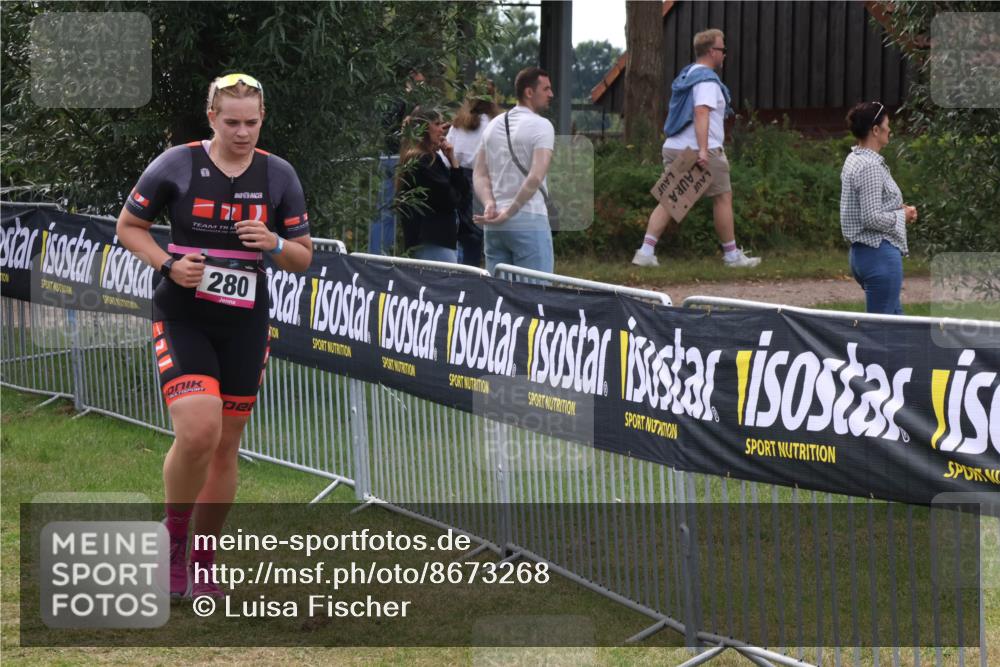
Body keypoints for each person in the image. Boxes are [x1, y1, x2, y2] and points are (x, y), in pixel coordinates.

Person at [116, 73, 313, 599]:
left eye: (251, 122)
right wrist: (167, 264)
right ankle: (172, 540)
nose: (242, 132)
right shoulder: (176, 164)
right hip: (183, 315)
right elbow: (128, 227)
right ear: (212, 119)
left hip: (245, 322)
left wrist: (272, 241)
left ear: (262, 118)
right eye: (232, 123)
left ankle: (202, 559)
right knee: (198, 431)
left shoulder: (278, 175)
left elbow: (303, 257)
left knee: (226, 447)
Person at [632, 29, 760, 269]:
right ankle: (731, 256)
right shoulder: (706, 80)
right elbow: (701, 112)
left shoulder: (687, 75)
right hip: (703, 150)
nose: (724, 55)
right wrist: (703, 151)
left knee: (670, 199)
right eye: (723, 50)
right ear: (712, 52)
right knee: (722, 197)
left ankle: (646, 251)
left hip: (675, 145)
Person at [473, 66, 555, 275]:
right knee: (534, 296)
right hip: (528, 217)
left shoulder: (492, 126)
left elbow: (480, 173)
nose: (550, 94)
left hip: (494, 223)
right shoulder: (542, 125)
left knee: (500, 299)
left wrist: (489, 203)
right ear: (529, 92)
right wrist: (509, 212)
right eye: (546, 89)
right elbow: (536, 175)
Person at [839, 101, 917, 315]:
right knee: (878, 333)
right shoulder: (870, 167)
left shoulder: (855, 158)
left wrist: (895, 207)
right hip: (878, 255)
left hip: (863, 255)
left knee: (897, 324)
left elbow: (867, 202)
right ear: (875, 130)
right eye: (887, 125)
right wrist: (903, 215)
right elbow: (871, 218)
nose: (889, 129)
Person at [396, 106, 468, 262]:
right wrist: (454, 167)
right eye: (436, 124)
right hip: (433, 242)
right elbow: (451, 200)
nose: (441, 130)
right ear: (423, 128)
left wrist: (452, 160)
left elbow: (458, 195)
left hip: (431, 241)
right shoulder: (423, 161)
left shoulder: (427, 158)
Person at [446, 83, 502, 268]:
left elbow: (446, 156)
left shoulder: (458, 125)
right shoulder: (496, 125)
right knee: (484, 232)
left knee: (466, 233)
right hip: (486, 180)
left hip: (458, 178)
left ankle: (464, 270)